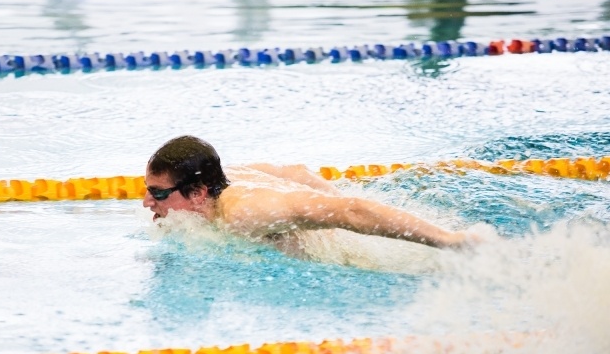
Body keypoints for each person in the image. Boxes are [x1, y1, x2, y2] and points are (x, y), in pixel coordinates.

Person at [143, 135, 478, 251]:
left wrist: (448, 241)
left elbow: (351, 211)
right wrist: (332, 195)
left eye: (157, 194)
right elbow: (296, 172)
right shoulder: (230, 176)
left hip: (358, 253)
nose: (146, 202)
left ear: (198, 193)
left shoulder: (246, 212)